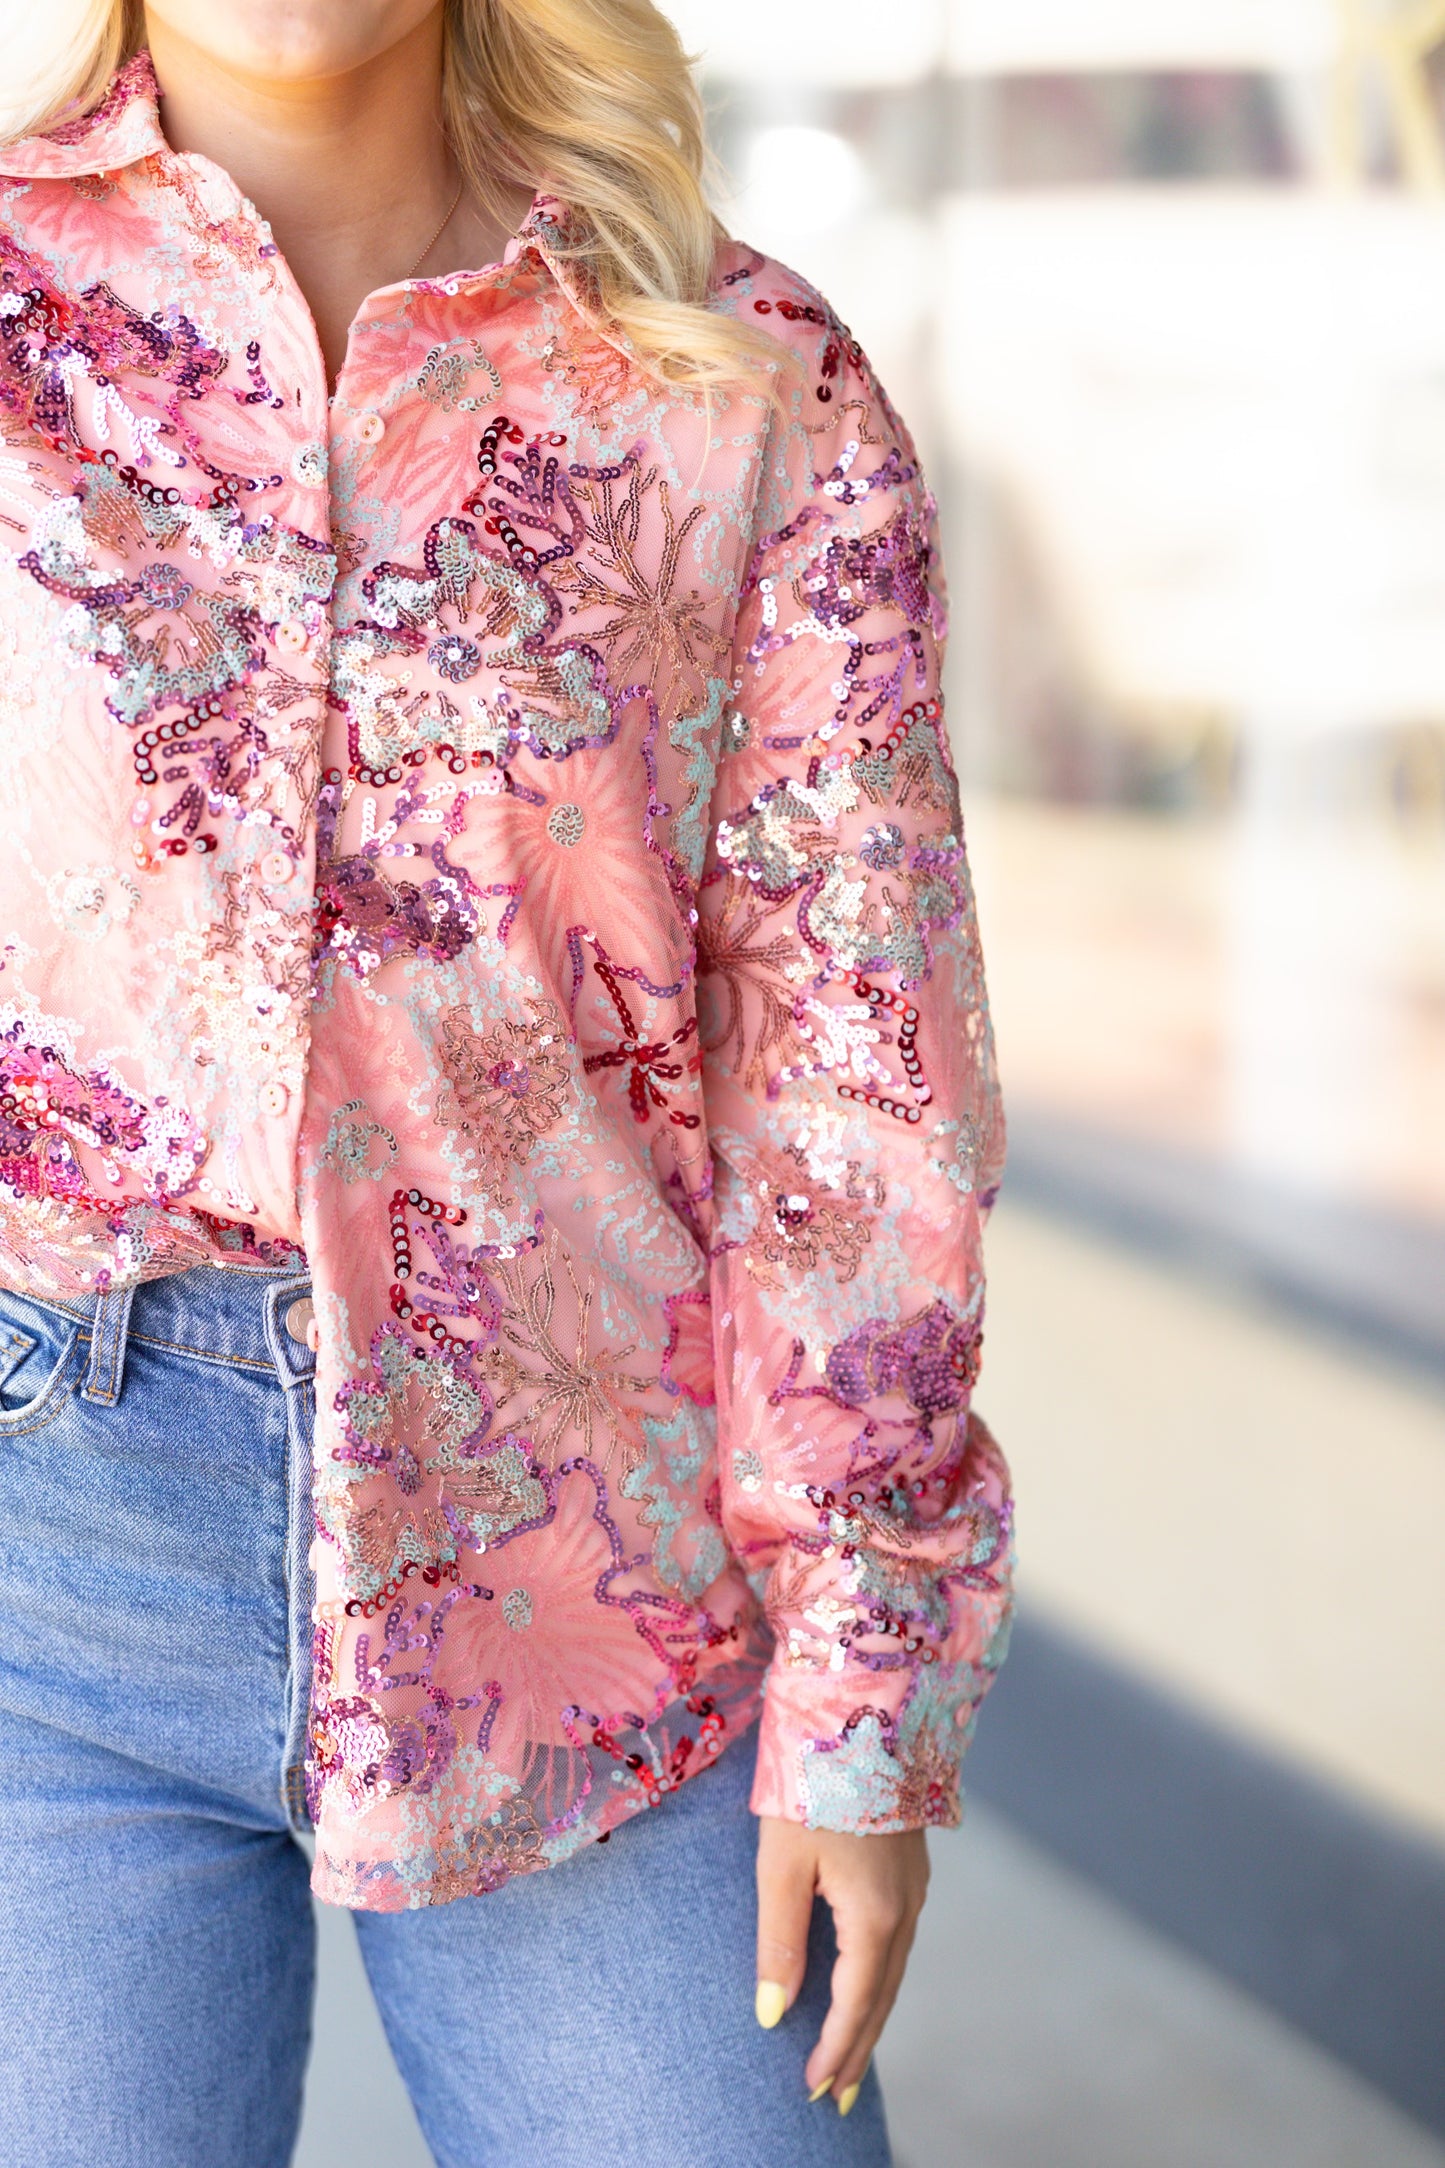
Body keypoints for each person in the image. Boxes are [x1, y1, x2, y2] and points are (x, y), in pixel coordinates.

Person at [0, 5, 1014, 2163]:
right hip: (37, 1548)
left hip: (594, 1570)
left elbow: (854, 1080)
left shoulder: (749, 384)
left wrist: (860, 1681)